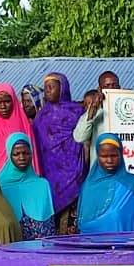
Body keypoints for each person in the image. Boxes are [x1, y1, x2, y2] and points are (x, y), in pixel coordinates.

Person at [34, 73, 86, 234]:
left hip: (75, 171)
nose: (48, 91)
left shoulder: (77, 112)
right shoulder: (40, 116)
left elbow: (83, 138)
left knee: (74, 221)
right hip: (51, 175)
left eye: (52, 87)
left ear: (62, 88)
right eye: (46, 88)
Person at [77, 134, 134, 237]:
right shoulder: (88, 186)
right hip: (94, 250)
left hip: (127, 250)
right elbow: (83, 224)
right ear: (97, 156)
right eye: (104, 156)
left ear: (121, 155)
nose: (109, 161)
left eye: (114, 156)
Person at [0, 133, 56, 240]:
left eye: (26, 153)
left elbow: (50, 224)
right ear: (9, 156)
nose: (22, 158)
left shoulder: (42, 185)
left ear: (31, 154)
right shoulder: (0, 187)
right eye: (16, 154)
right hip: (14, 248)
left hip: (40, 248)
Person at [73, 71, 120, 149]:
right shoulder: (93, 113)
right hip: (99, 160)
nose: (111, 89)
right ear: (99, 90)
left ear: (119, 88)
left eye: (115, 85)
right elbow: (79, 138)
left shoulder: (128, 112)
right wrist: (92, 112)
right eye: (107, 86)